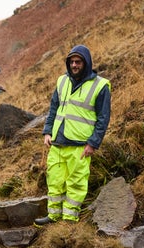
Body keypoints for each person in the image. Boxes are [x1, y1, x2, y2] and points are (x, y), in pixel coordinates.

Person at [34, 45, 111, 226]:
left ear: (86, 63)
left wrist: (93, 143)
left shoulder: (100, 86)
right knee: (54, 180)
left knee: (76, 183)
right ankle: (53, 216)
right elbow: (53, 108)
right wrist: (47, 131)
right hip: (57, 143)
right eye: (72, 62)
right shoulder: (62, 81)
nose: (74, 65)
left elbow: (103, 118)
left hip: (80, 145)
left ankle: (69, 219)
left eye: (78, 62)